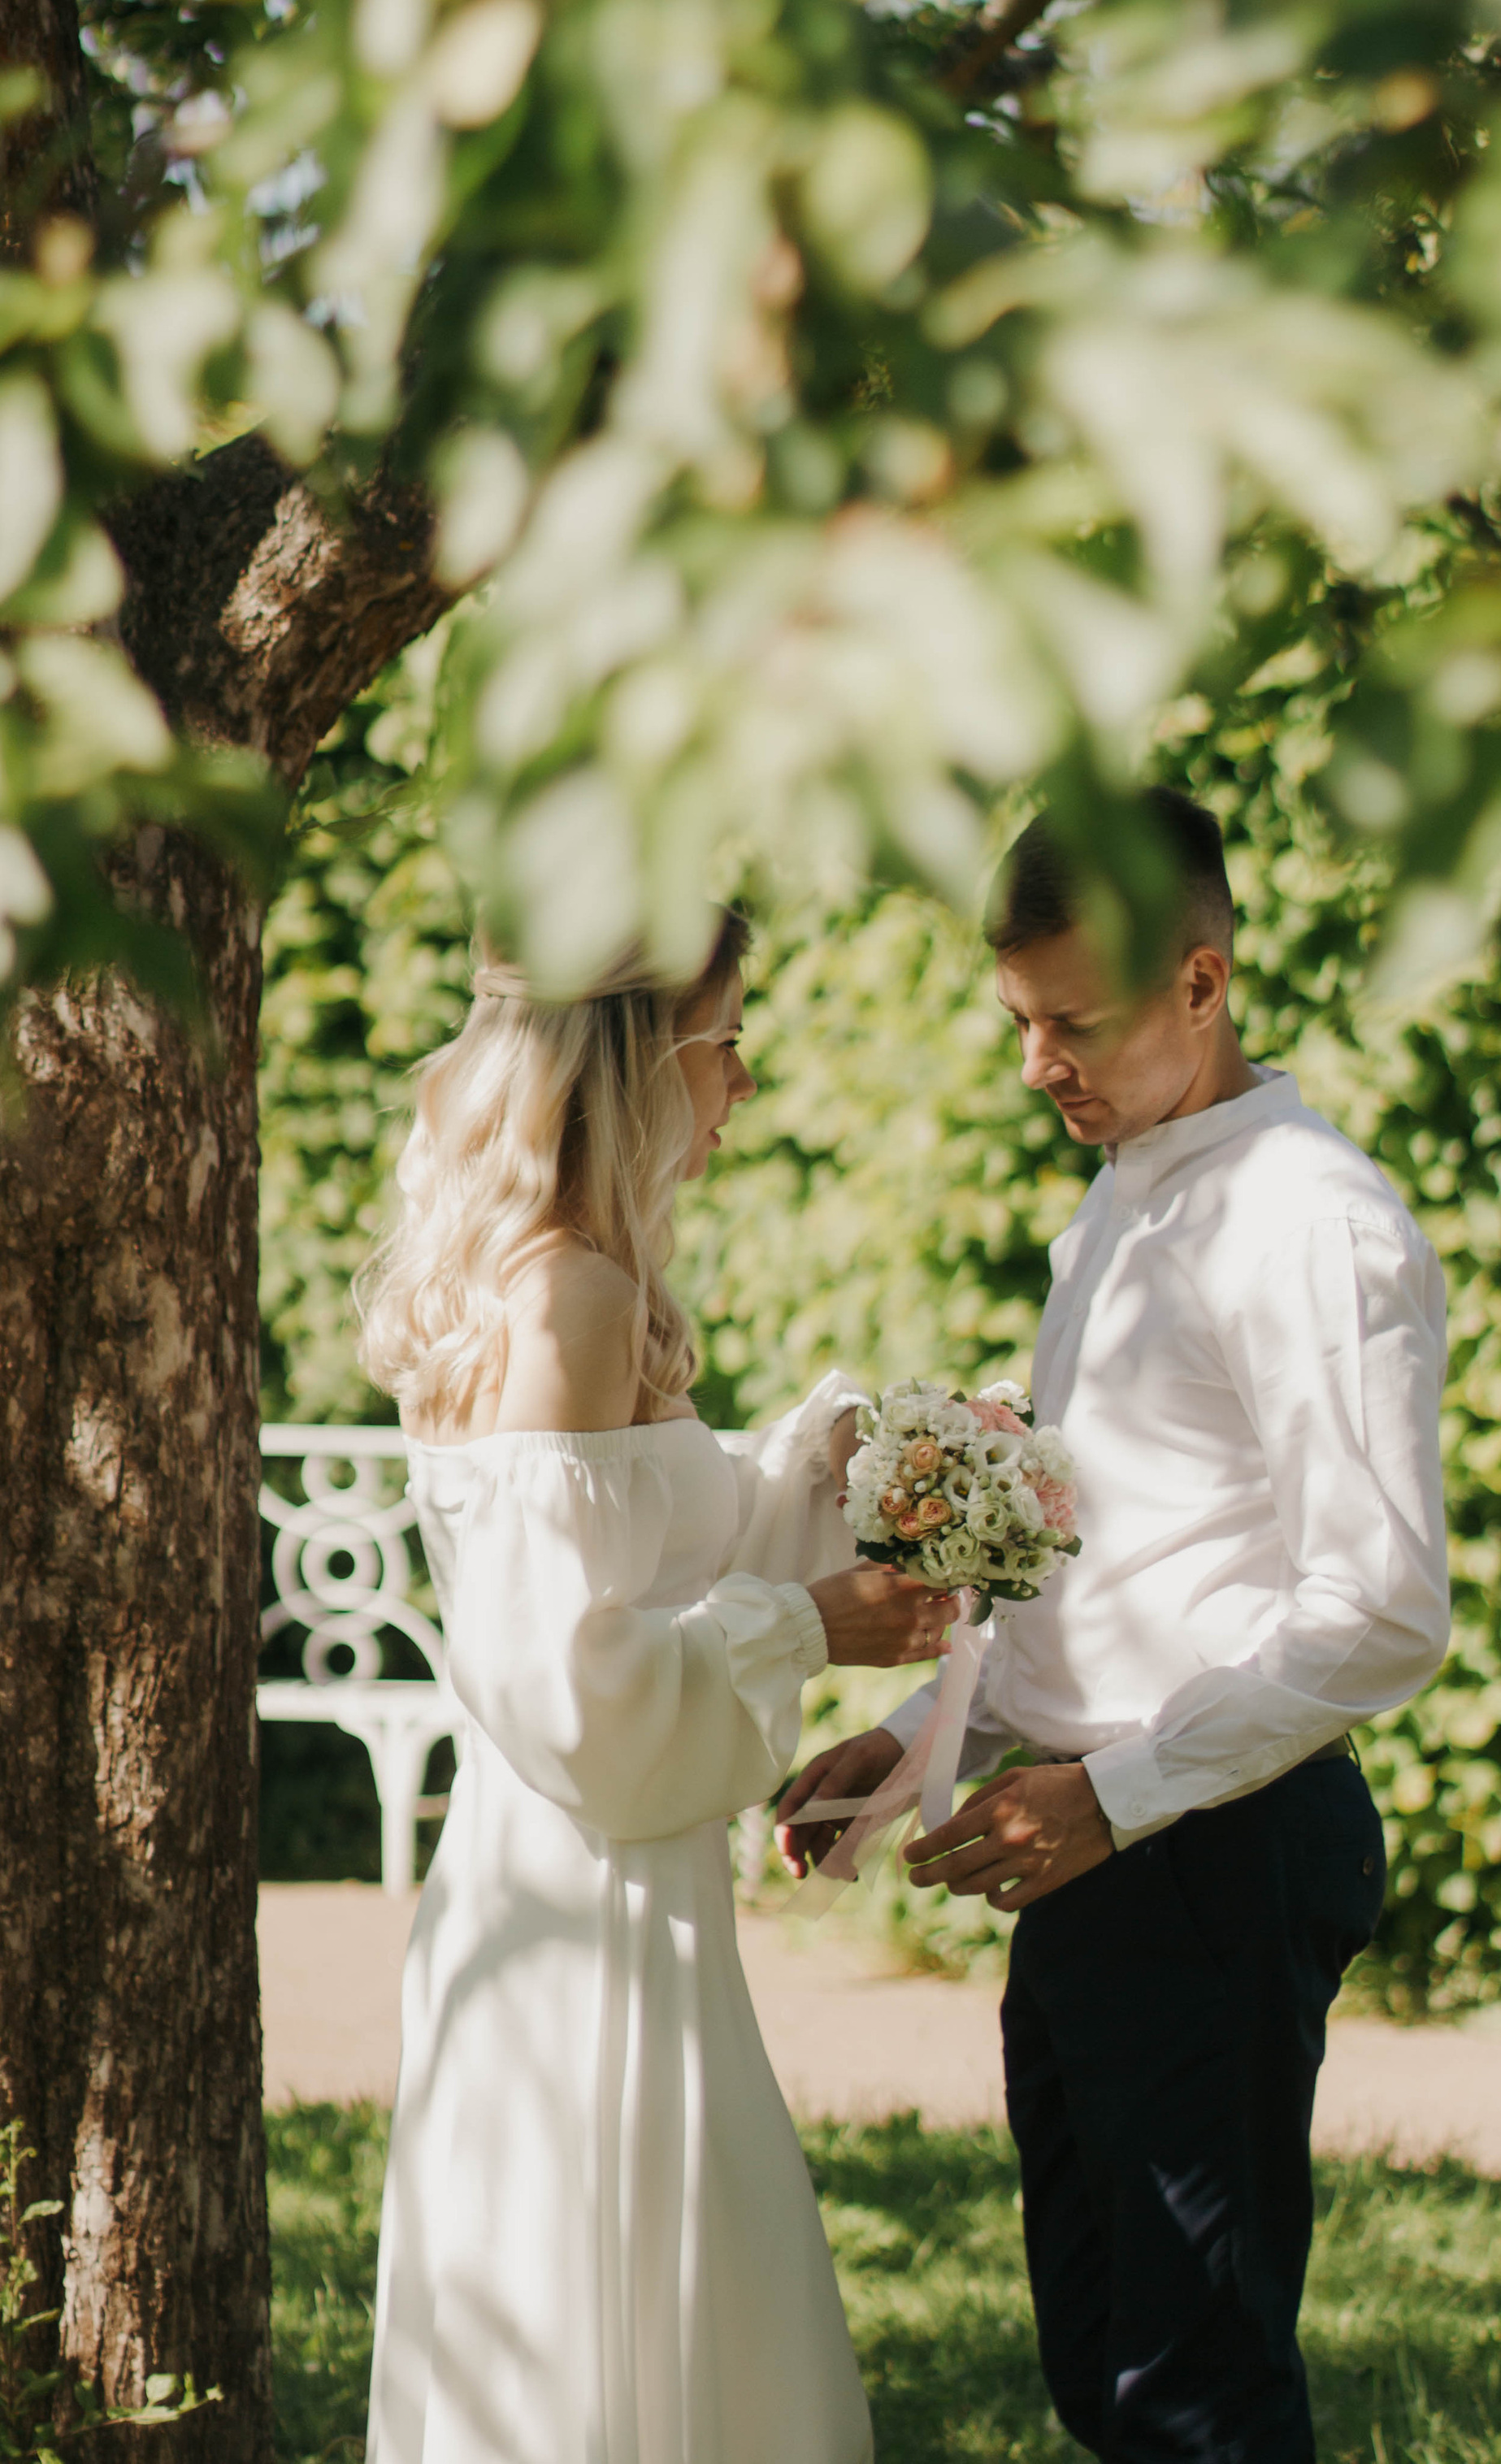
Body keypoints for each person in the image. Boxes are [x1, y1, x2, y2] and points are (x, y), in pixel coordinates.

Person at [780, 792, 1451, 2464]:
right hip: (1088, 1842)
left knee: (1194, 2399)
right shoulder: (1118, 1205)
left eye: (1070, 1024)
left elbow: (1376, 1611)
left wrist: (1110, 1797)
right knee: (1097, 2368)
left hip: (1210, 1850)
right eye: (1016, 1023)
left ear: (1203, 983)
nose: (1034, 1068)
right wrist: (936, 1738)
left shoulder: (1312, 1222)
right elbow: (1118, 1569)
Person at [355, 916, 954, 2464]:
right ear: (638, 1059)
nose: (745, 1083)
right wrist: (813, 1628)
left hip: (570, 1878)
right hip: (590, 1898)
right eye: (727, 1040)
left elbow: (622, 1575)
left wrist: (820, 1474)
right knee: (624, 2312)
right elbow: (571, 1693)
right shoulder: (574, 1307)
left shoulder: (548, 1277)